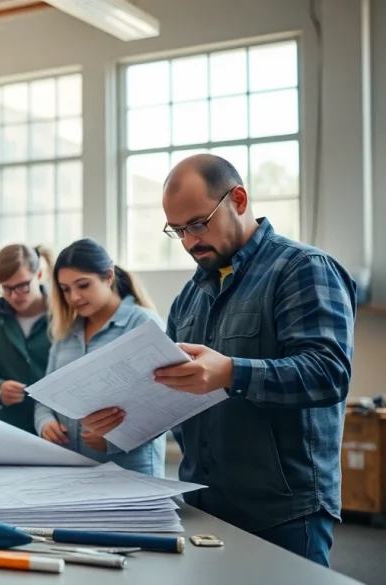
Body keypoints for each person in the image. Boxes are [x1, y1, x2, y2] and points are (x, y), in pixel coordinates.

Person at [120, 153, 353, 566]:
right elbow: (174, 393)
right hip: (203, 504)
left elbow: (328, 374)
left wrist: (230, 372)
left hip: (284, 512)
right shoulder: (189, 298)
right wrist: (124, 415)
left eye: (197, 223)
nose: (190, 241)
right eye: (178, 230)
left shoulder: (302, 269)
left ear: (239, 200)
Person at [33, 238, 167, 477]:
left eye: (83, 285)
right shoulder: (65, 332)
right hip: (73, 470)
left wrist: (115, 440)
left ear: (108, 276)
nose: (74, 297)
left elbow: (167, 405)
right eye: (65, 289)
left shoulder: (142, 323)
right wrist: (45, 423)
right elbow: (44, 398)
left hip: (132, 473)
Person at [0, 244, 53, 435]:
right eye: (6, 288)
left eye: (22, 286)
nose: (14, 295)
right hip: (8, 429)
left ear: (39, 275)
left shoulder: (62, 319)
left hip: (57, 429)